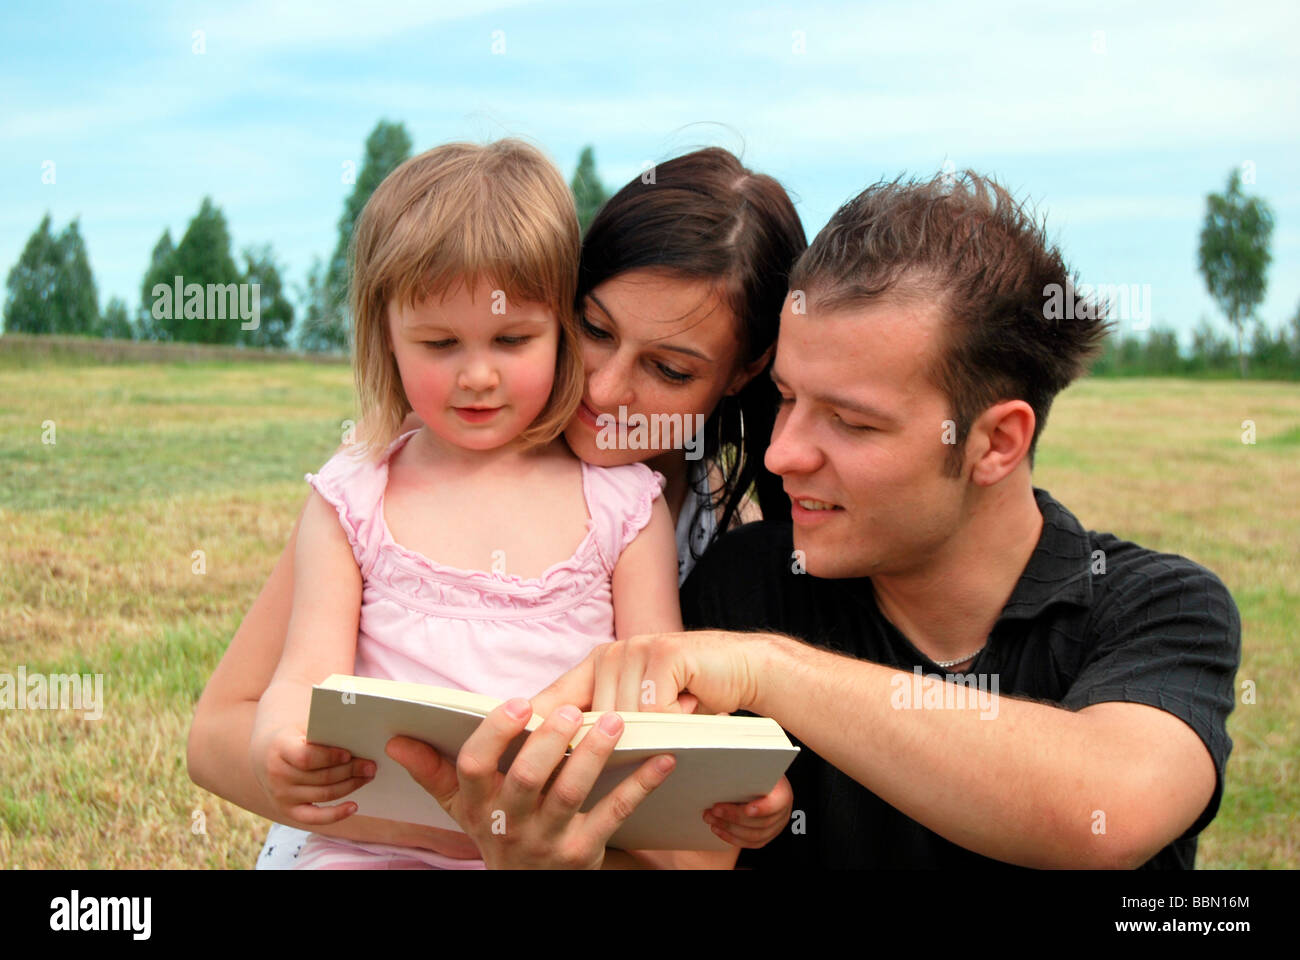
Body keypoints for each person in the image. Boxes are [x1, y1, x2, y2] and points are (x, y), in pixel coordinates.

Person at [390, 170, 1241, 869]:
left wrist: (767, 670)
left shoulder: (1155, 606)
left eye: (852, 422)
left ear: (995, 442)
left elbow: (1108, 806)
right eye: (788, 400)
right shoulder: (741, 584)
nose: (784, 453)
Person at [186, 144, 809, 868]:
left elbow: (685, 841)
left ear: (744, 371)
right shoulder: (377, 489)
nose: (604, 390)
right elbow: (220, 734)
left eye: (669, 369)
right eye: (595, 329)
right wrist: (466, 820)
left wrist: (720, 790)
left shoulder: (714, 550)